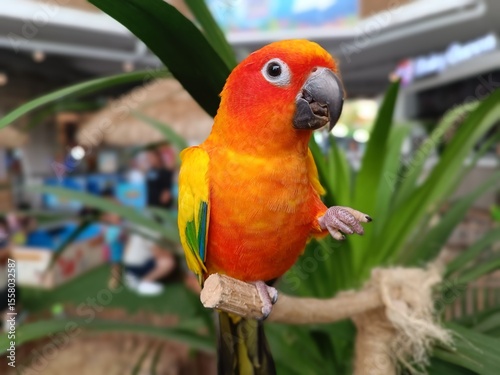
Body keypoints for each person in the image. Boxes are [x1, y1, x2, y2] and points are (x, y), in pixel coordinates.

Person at [101, 188, 126, 290]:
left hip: (114, 235)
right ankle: (117, 276)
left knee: (115, 261)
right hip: (112, 235)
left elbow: (117, 219)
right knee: (114, 260)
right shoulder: (112, 206)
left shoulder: (115, 206)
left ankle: (115, 279)